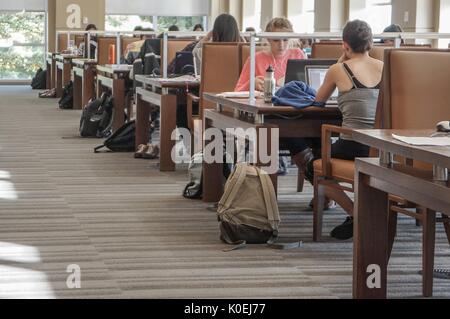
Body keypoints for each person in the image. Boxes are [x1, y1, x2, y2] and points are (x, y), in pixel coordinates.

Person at [312, 19, 384, 240]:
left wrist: (338, 64)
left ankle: (355, 213)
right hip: (384, 145)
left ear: (344, 45)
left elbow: (318, 102)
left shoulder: (338, 69)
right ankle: (361, 214)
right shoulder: (386, 67)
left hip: (355, 144)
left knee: (314, 164)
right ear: (370, 43)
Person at [235, 17, 307, 92]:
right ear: (268, 39)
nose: (281, 45)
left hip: (294, 101)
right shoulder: (255, 59)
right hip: (265, 102)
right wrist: (251, 84)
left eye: (285, 40)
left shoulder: (298, 55)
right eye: (276, 40)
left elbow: (309, 85)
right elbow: (237, 91)